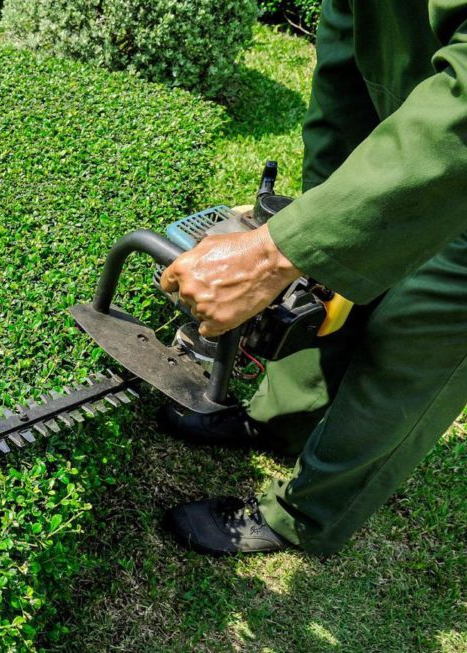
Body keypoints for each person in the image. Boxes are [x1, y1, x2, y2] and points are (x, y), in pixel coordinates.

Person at [157, 0, 467, 556]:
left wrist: (274, 254)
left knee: (414, 332)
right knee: (325, 282)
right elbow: (350, 46)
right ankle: (283, 421)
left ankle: (304, 515)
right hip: (424, 127)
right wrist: (319, 226)